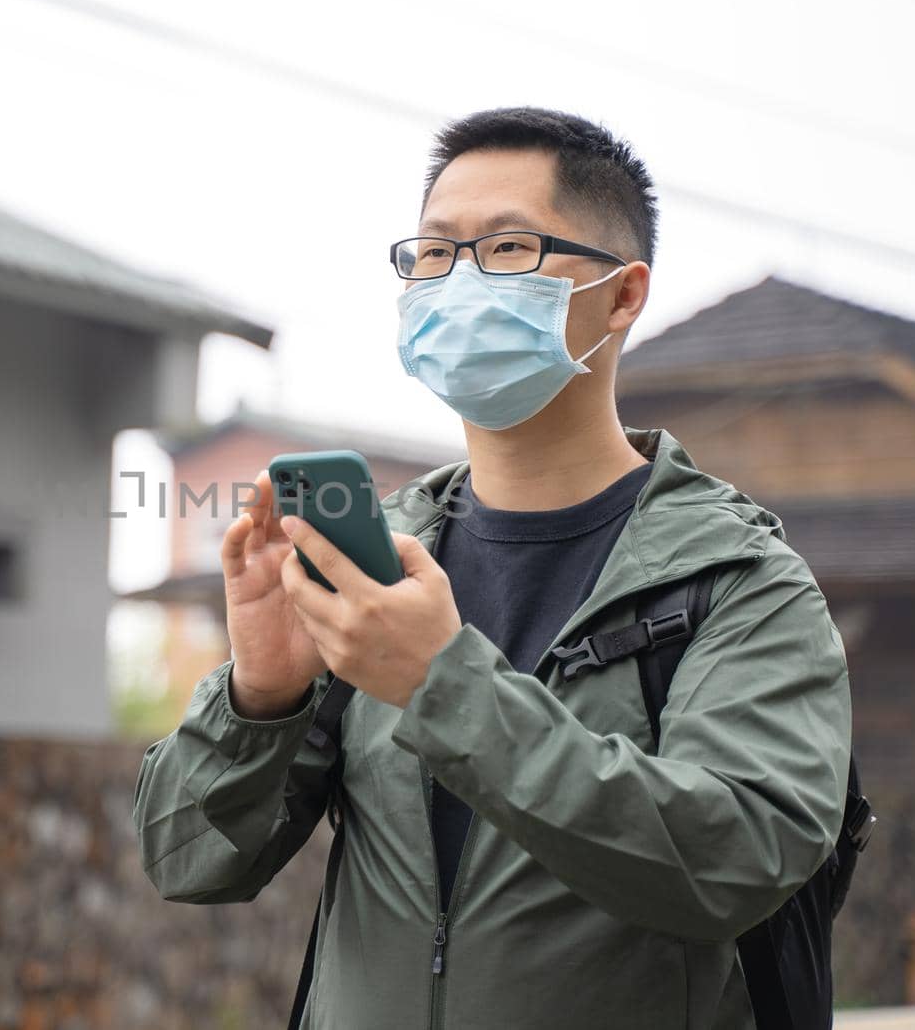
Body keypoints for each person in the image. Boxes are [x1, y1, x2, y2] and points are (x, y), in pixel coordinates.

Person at [131, 107, 852, 1029]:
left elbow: (735, 860)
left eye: (508, 247)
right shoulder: (380, 562)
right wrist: (260, 700)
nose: (458, 282)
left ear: (623, 296)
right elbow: (185, 859)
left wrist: (444, 685)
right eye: (432, 254)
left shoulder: (740, 583)